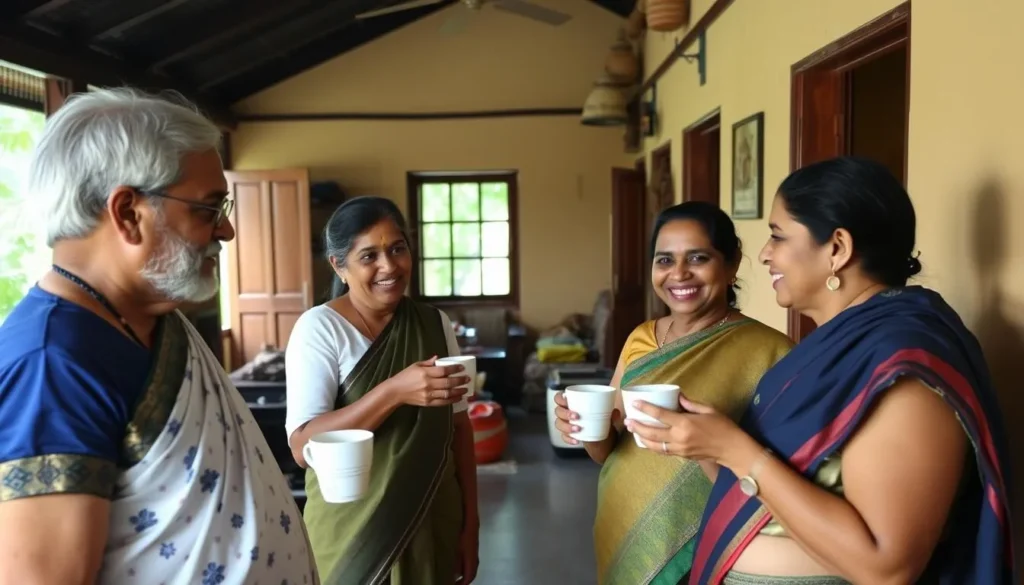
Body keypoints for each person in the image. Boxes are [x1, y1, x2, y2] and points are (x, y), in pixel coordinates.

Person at [628, 157, 1015, 585]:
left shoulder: (902, 366)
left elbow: (886, 567)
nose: (764, 254)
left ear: (837, 249)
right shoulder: (830, 346)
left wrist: (733, 448)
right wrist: (709, 445)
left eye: (778, 236)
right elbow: (772, 492)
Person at [0, 88, 317, 584]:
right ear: (128, 212)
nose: (227, 230)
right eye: (208, 209)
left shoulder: (153, 314)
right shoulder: (53, 363)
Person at [553, 202, 793, 584]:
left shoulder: (771, 352)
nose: (679, 274)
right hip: (621, 522)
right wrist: (585, 427)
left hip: (711, 537)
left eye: (698, 258)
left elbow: (780, 470)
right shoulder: (641, 338)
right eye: (664, 260)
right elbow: (609, 452)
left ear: (731, 265)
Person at [285, 196, 480, 585]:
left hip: (431, 517)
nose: (388, 266)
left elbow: (459, 430)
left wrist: (471, 524)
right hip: (352, 531)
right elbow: (302, 445)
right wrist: (393, 391)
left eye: (397, 249)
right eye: (368, 256)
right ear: (339, 266)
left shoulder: (434, 324)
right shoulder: (320, 329)